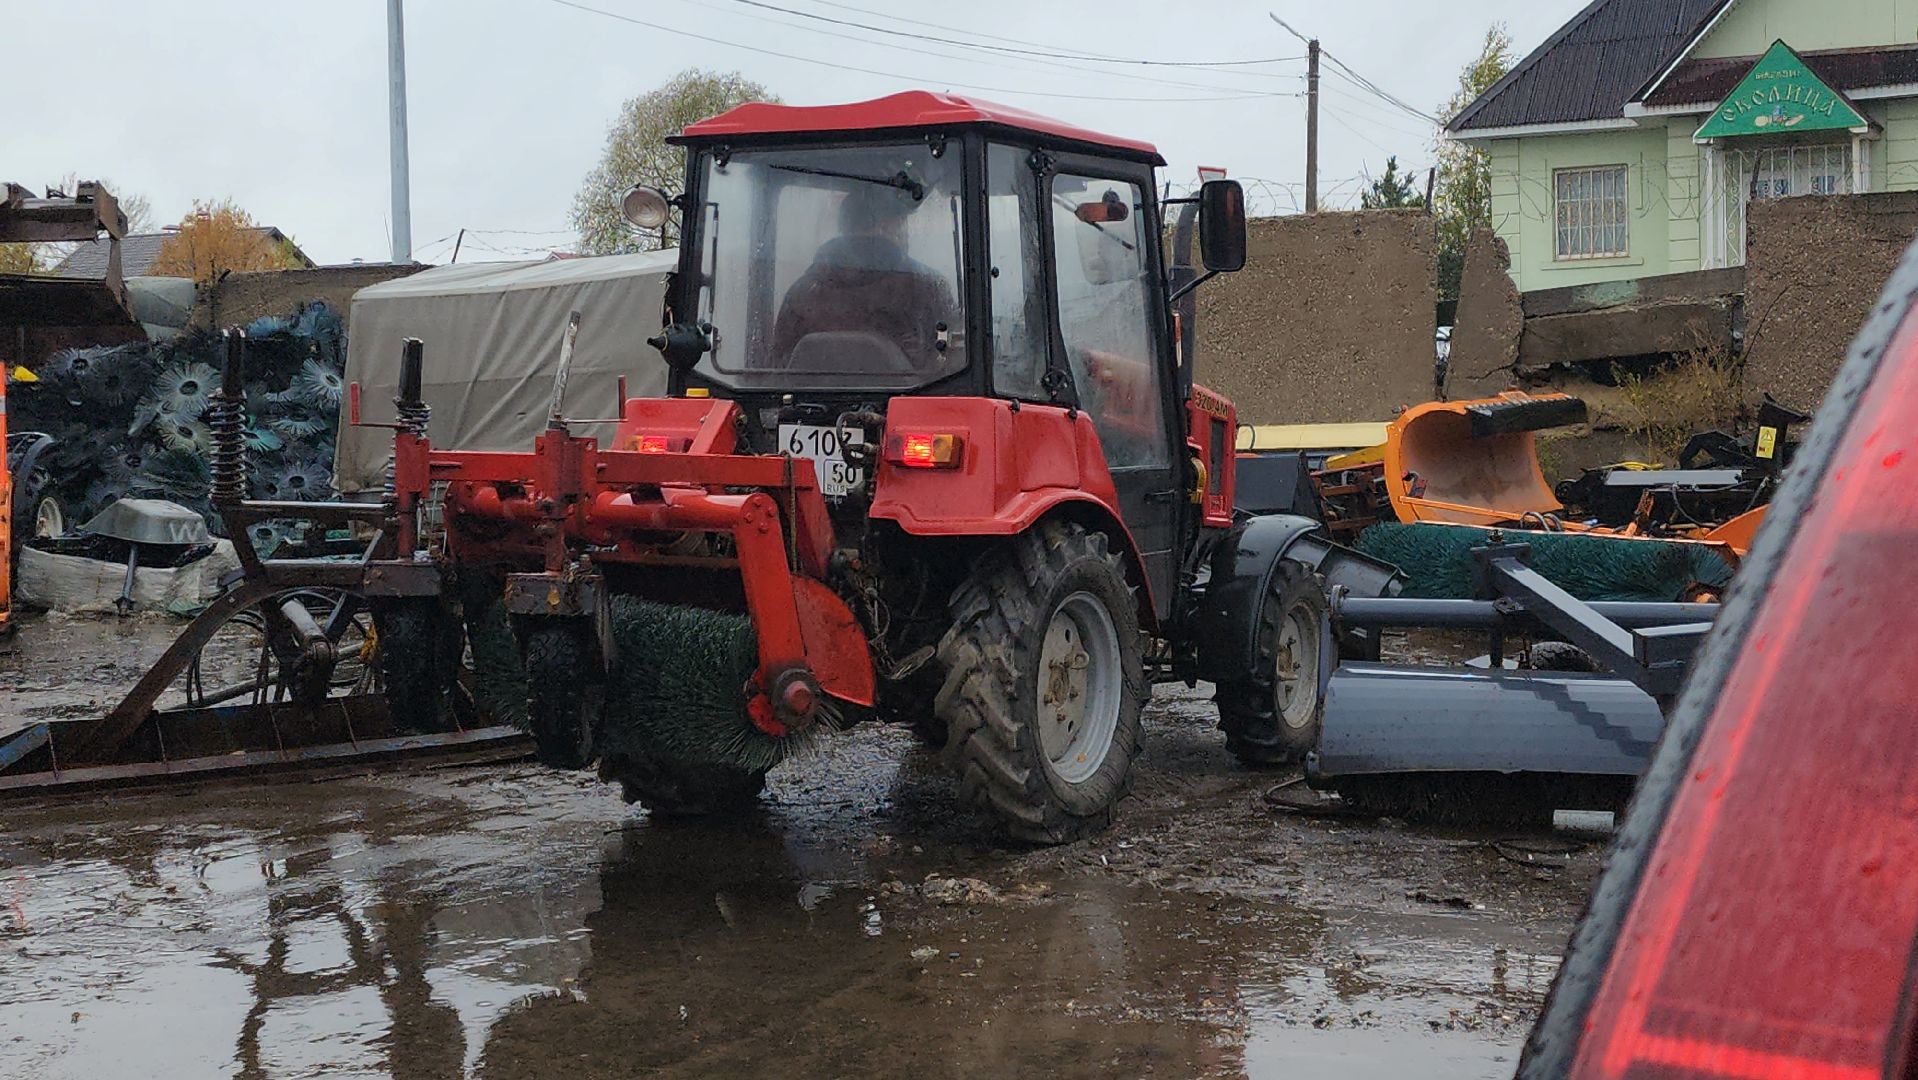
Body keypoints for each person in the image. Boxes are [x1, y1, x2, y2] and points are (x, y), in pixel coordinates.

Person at [770, 186, 959, 372]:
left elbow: (775, 368)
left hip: (804, 402)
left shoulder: (802, 292)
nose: (905, 232)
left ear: (844, 227)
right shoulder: (925, 286)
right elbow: (949, 365)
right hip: (905, 402)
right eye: (902, 222)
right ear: (887, 226)